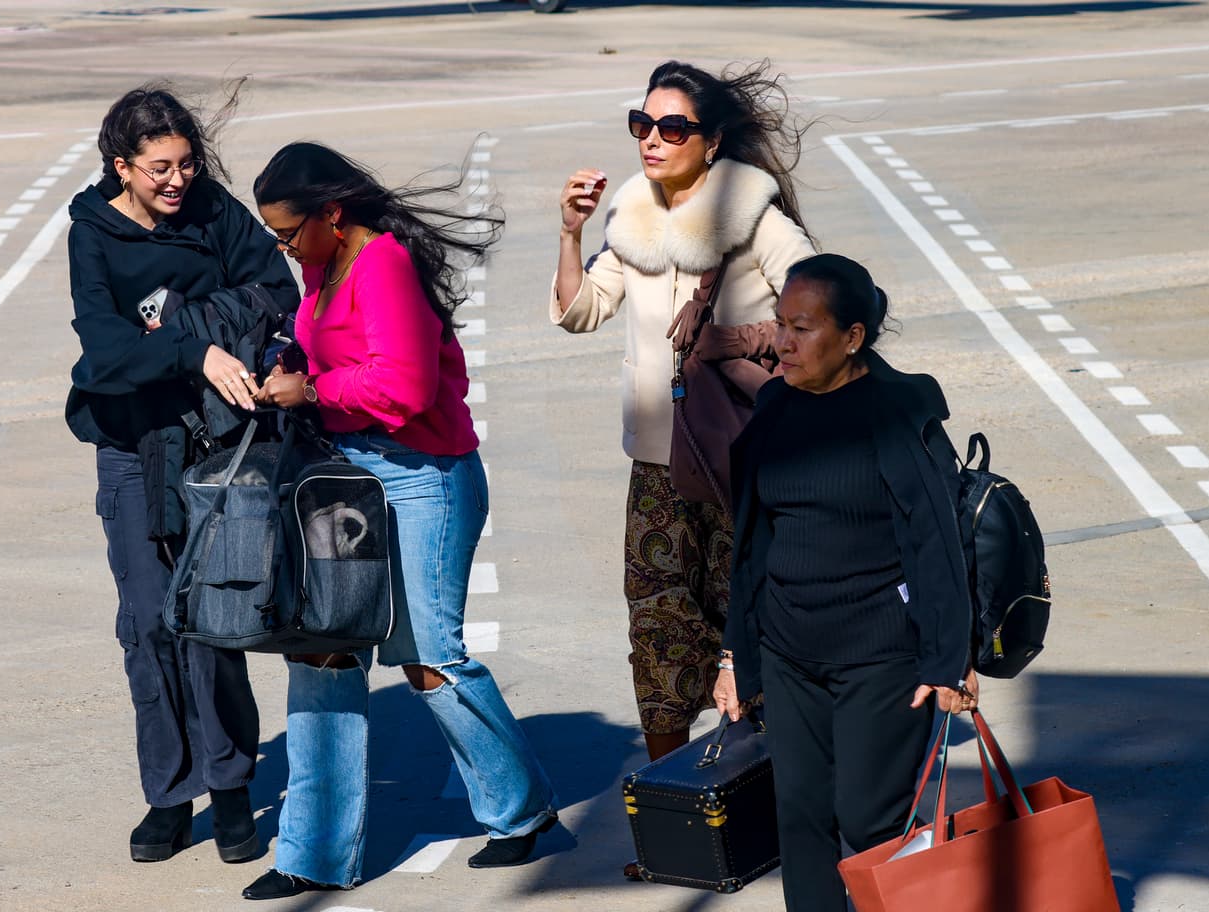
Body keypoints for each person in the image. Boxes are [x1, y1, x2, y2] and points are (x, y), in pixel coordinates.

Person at [247, 142, 558, 901]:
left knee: (430, 655)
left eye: (289, 233)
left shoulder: (383, 262)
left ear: (332, 212)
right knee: (323, 649)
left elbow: (408, 386)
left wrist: (312, 390)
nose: (284, 248)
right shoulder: (323, 265)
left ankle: (521, 812)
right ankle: (313, 854)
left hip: (426, 480)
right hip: (347, 482)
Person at [551, 58, 816, 819]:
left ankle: (771, 802)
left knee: (754, 629)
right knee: (658, 632)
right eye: (643, 125)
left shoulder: (757, 222)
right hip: (658, 466)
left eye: (673, 128)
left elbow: (821, 309)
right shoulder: (630, 215)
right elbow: (581, 310)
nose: (653, 141)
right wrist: (570, 233)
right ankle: (677, 810)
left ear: (711, 141)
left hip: (745, 465)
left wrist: (737, 338)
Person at [65, 85, 300, 864]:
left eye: (187, 164)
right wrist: (192, 346)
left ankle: (231, 787)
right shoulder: (93, 234)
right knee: (147, 626)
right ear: (120, 166)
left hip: (215, 443)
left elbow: (277, 292)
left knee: (211, 621)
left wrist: (208, 333)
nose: (177, 181)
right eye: (159, 168)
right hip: (132, 449)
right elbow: (105, 356)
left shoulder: (211, 210)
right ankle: (168, 794)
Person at [712, 253, 982, 912]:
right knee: (800, 818)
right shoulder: (774, 406)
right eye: (780, 324)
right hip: (789, 653)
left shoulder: (893, 413)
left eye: (802, 328)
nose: (782, 343)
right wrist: (736, 655)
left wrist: (950, 659)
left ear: (853, 337)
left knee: (868, 821)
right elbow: (751, 544)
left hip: (880, 658)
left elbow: (936, 541)